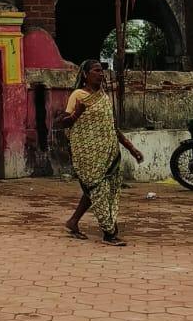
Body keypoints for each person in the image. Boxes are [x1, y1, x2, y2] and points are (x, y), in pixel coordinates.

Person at [57, 58, 143, 244]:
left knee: (96, 190)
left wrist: (131, 148)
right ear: (86, 75)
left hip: (107, 154)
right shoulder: (78, 95)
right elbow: (62, 123)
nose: (101, 74)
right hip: (87, 154)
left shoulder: (103, 97)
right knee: (97, 190)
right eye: (96, 70)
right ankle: (109, 232)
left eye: (102, 70)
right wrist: (76, 114)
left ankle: (73, 222)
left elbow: (112, 127)